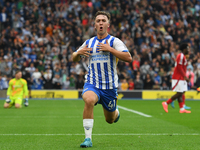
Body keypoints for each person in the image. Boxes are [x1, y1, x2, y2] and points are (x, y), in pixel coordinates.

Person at [72, 11, 132, 148]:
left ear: (108, 25)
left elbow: (128, 57)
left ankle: (115, 112)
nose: (100, 23)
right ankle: (88, 139)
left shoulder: (114, 41)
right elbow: (73, 58)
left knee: (110, 120)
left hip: (109, 87)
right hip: (92, 83)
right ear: (94, 25)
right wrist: (77, 54)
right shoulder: (89, 42)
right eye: (98, 20)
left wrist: (110, 49)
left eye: (103, 20)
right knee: (89, 100)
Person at [162, 43, 191, 113]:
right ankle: (166, 103)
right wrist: (184, 76)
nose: (189, 50)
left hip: (181, 77)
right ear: (184, 49)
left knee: (181, 92)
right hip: (178, 77)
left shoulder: (183, 56)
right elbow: (179, 67)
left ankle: (182, 109)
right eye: (188, 48)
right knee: (179, 92)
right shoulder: (181, 55)